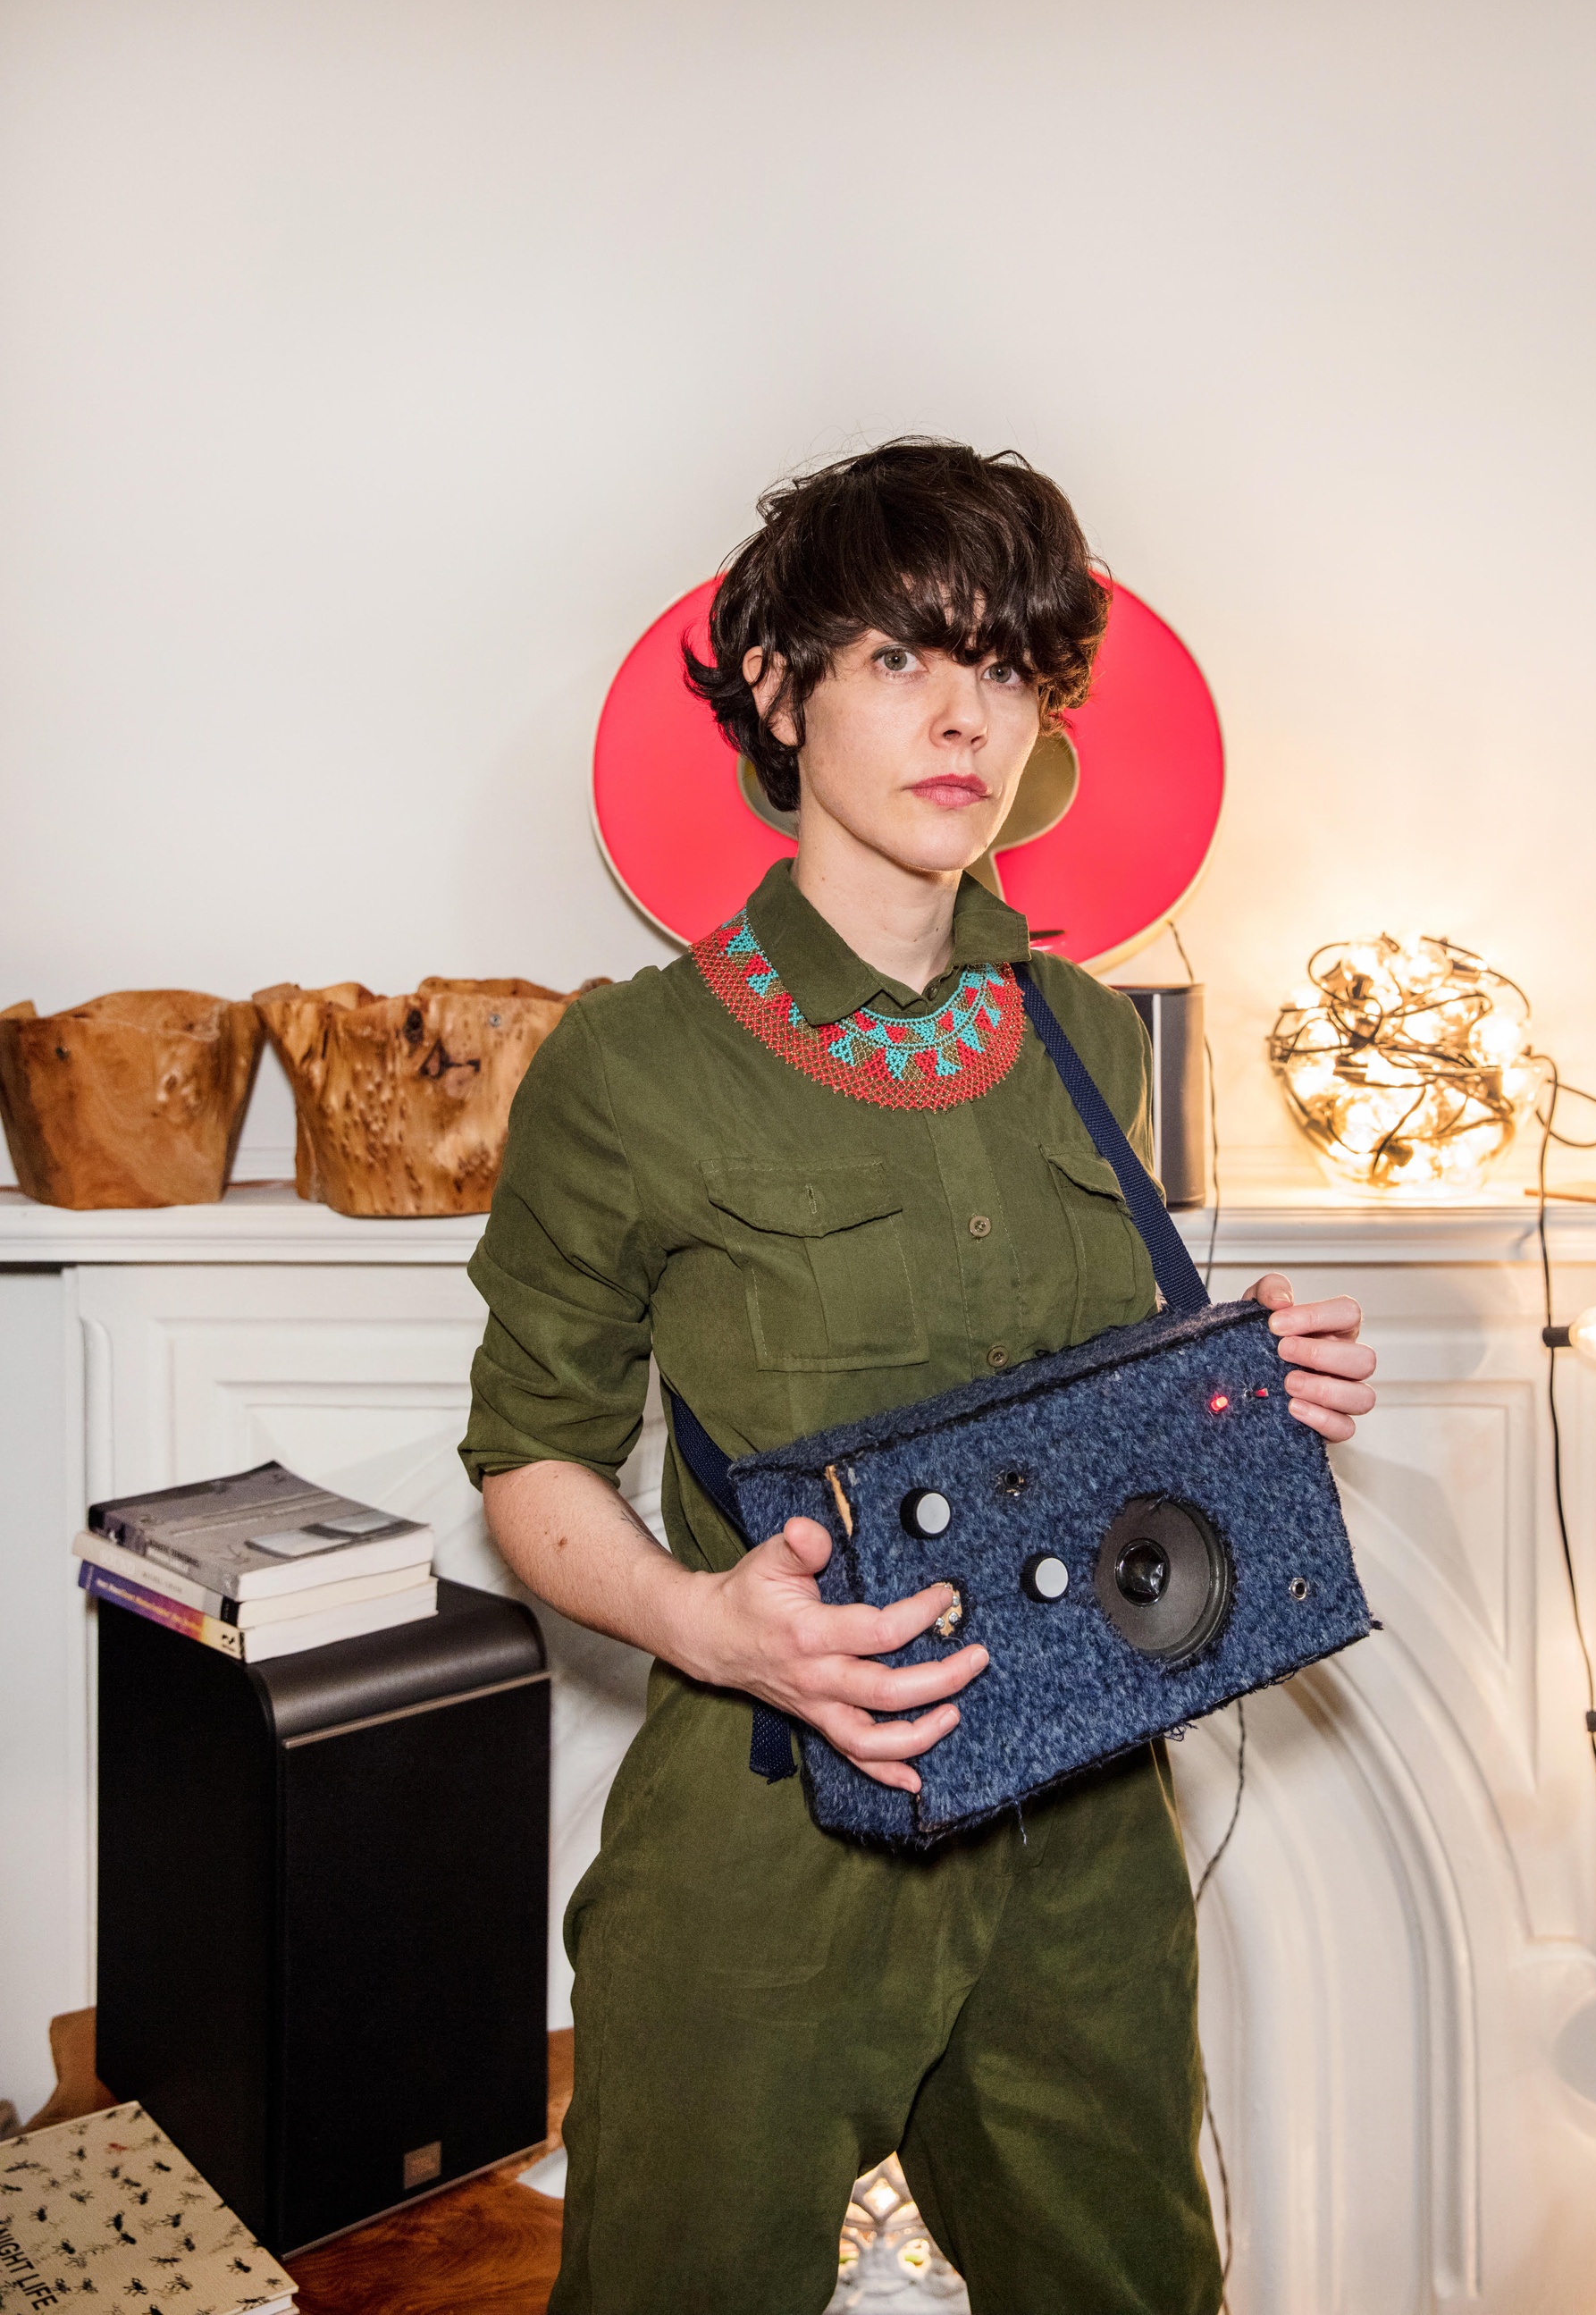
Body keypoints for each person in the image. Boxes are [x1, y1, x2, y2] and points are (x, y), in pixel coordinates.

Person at [461, 438, 1377, 2315]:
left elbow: (1078, 1423)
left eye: (1012, 666)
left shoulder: (1079, 1032)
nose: (969, 715)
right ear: (783, 693)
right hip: (772, 1830)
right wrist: (711, 1622)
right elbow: (528, 1459)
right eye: (902, 657)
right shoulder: (629, 1068)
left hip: (1085, 1827)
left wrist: (1235, 1391)